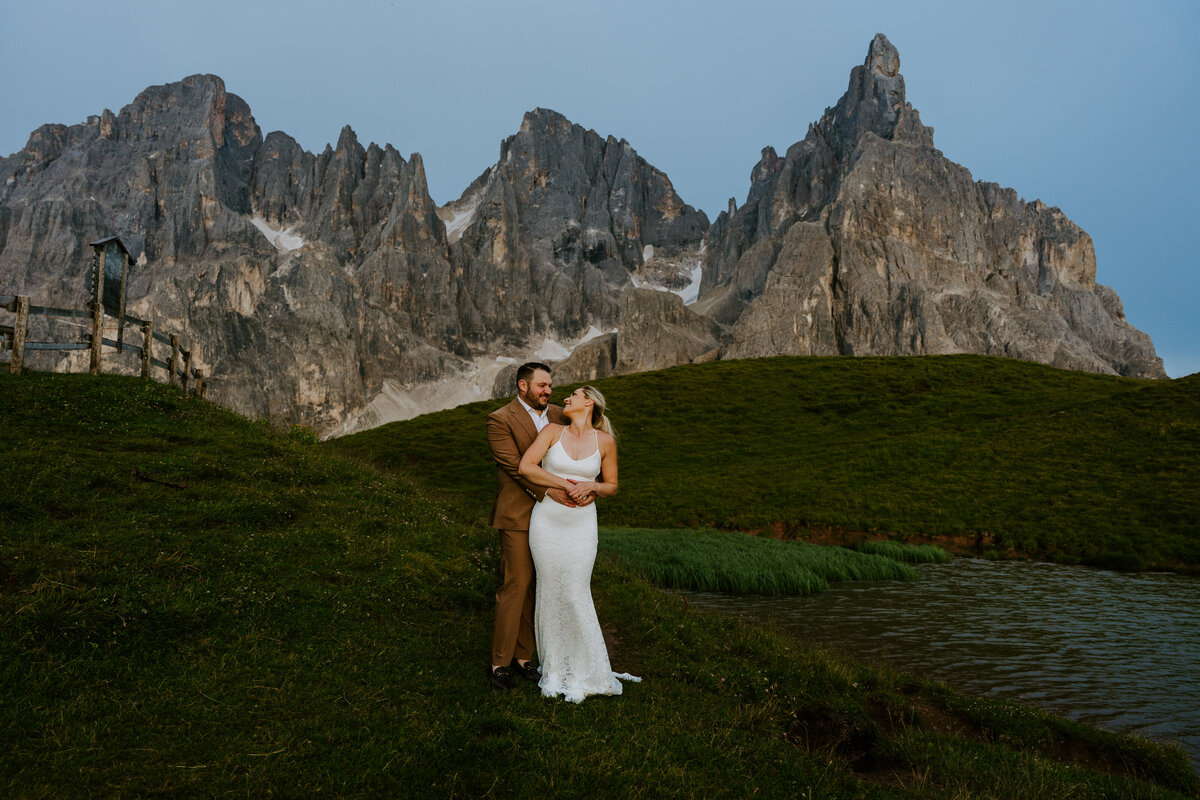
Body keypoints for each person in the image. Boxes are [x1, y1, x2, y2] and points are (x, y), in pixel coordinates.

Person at [518, 385, 640, 702]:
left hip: (582, 525)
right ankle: (556, 666)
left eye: (574, 394)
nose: (566, 398)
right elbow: (526, 467)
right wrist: (565, 484)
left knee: (575, 590)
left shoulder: (606, 442)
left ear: (589, 402)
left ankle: (591, 667)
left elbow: (611, 486)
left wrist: (593, 487)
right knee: (551, 589)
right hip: (547, 522)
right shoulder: (551, 432)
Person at [486, 362, 581, 690]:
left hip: (555, 518)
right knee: (516, 584)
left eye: (550, 385)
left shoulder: (558, 414)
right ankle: (499, 661)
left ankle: (524, 657)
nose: (549, 391)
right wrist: (553, 490)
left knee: (538, 585)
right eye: (542, 385)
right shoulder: (499, 420)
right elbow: (515, 467)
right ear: (522, 386)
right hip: (518, 516)